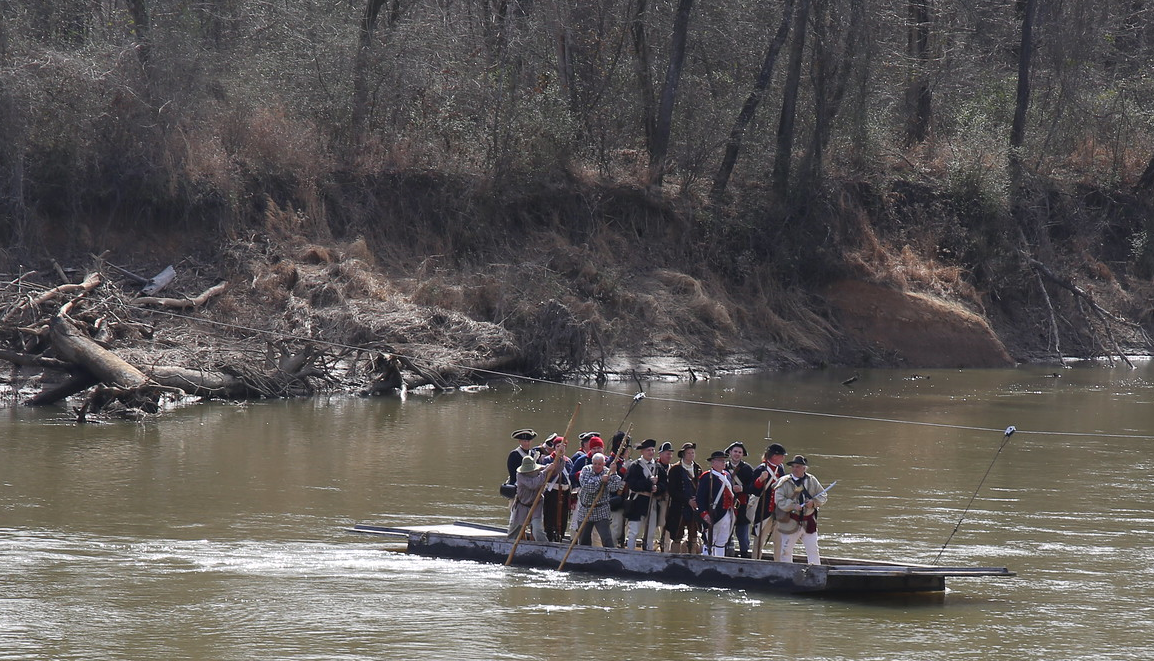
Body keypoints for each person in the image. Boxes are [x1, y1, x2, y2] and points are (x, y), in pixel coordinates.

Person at [773, 454, 829, 565]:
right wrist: (792, 506)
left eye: (798, 467)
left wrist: (814, 503)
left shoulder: (812, 480)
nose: (795, 469)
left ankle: (815, 573)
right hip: (790, 521)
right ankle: (786, 573)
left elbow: (823, 496)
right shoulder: (784, 482)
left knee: (813, 550)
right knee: (786, 551)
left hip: (809, 521)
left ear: (804, 468)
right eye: (793, 467)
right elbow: (778, 500)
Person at [573, 452, 626, 547]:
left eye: (599, 464)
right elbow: (588, 488)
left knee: (607, 538)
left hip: (602, 509)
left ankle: (610, 558)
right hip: (586, 509)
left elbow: (613, 488)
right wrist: (601, 480)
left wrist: (614, 474)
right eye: (595, 464)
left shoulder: (607, 472)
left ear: (604, 464)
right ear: (592, 463)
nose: (597, 466)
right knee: (584, 540)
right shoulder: (586, 470)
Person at [508, 454, 560, 542]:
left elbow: (555, 469)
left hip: (536, 505)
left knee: (537, 530)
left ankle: (545, 547)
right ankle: (508, 547)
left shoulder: (539, 470)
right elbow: (533, 484)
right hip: (522, 505)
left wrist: (558, 459)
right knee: (514, 530)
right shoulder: (520, 476)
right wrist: (545, 471)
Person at [749, 442, 788, 560]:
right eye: (782, 455)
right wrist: (760, 480)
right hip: (763, 511)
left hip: (778, 512)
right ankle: (755, 564)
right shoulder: (761, 469)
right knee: (759, 542)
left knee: (779, 542)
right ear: (775, 456)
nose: (783, 458)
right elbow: (753, 490)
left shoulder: (780, 469)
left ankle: (779, 564)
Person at [696, 450, 736, 557]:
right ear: (713, 462)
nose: (723, 463)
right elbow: (700, 497)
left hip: (726, 512)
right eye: (720, 460)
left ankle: (720, 560)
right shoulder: (707, 476)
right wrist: (704, 514)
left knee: (722, 541)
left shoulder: (727, 475)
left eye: (724, 460)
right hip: (713, 513)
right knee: (709, 540)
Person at [624, 439, 660, 550]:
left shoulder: (658, 467)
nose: (651, 452)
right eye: (648, 450)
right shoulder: (635, 466)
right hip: (637, 502)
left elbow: (664, 484)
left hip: (652, 503)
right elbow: (632, 484)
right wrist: (649, 483)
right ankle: (630, 553)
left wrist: (657, 488)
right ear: (642, 452)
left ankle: (648, 552)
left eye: (652, 450)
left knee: (650, 534)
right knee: (633, 532)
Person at [665, 442, 701, 553]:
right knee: (677, 535)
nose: (691, 455)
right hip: (679, 507)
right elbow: (672, 491)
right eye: (689, 453)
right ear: (683, 455)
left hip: (694, 507)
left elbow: (701, 488)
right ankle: (674, 557)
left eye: (693, 452)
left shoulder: (697, 468)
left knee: (693, 533)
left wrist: (696, 500)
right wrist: (687, 500)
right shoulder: (675, 469)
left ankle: (692, 555)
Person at [540, 435, 574, 542]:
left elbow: (570, 477)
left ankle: (560, 537)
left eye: (563, 446)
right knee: (550, 518)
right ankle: (549, 537)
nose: (561, 449)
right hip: (552, 492)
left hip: (565, 493)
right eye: (559, 446)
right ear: (555, 447)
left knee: (563, 519)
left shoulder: (568, 462)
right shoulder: (547, 460)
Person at [726, 441, 756, 557]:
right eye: (735, 451)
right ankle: (725, 553)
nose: (737, 454)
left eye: (739, 452)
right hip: (726, 505)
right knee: (725, 531)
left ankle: (744, 554)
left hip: (742, 505)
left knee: (743, 533)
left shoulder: (747, 469)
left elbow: (753, 487)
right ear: (730, 452)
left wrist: (742, 489)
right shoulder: (723, 466)